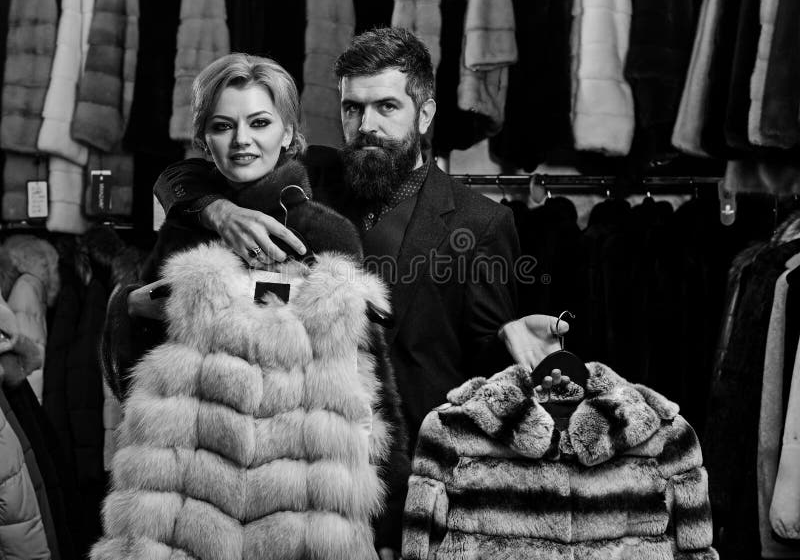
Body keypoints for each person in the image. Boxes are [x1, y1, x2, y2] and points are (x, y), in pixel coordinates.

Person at [154, 29, 566, 554]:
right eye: (353, 108)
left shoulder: (482, 222)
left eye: (386, 107)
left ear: (424, 114)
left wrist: (508, 334)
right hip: (305, 489)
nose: (366, 126)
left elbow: (480, 377)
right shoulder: (310, 181)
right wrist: (220, 210)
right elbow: (181, 174)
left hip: (415, 482)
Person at [104, 53, 410, 558]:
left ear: (289, 133)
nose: (242, 140)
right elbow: (132, 379)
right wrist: (133, 311)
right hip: (189, 509)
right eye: (223, 126)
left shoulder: (324, 231)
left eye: (259, 122)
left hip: (296, 511)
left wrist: (389, 522)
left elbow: (370, 390)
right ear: (205, 141)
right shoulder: (186, 230)